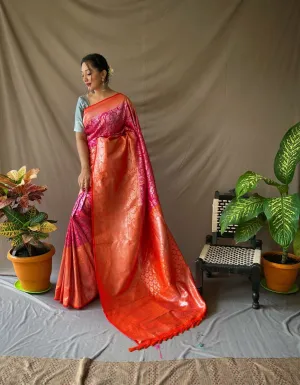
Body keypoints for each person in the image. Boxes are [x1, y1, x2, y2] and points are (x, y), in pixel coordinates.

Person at [55, 53, 206, 351]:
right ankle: (84, 289)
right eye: (82, 73)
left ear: (103, 73)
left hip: (120, 178)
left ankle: (120, 284)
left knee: (118, 230)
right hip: (94, 174)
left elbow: (134, 139)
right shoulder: (82, 103)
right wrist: (86, 168)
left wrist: (115, 155)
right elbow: (80, 138)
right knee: (79, 219)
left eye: (89, 72)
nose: (84, 77)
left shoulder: (122, 102)